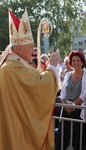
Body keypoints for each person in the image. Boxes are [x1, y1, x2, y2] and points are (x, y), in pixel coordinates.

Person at [0, 8, 59, 150]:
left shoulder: (10, 66)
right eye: (31, 47)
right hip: (18, 129)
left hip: (13, 124)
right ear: (19, 49)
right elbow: (39, 87)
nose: (34, 51)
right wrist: (52, 68)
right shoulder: (12, 69)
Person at [55, 50, 86, 150]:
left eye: (78, 60)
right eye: (73, 60)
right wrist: (65, 105)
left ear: (82, 62)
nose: (75, 63)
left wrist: (73, 105)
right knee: (62, 136)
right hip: (66, 108)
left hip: (78, 109)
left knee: (78, 137)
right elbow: (62, 92)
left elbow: (85, 94)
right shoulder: (67, 75)